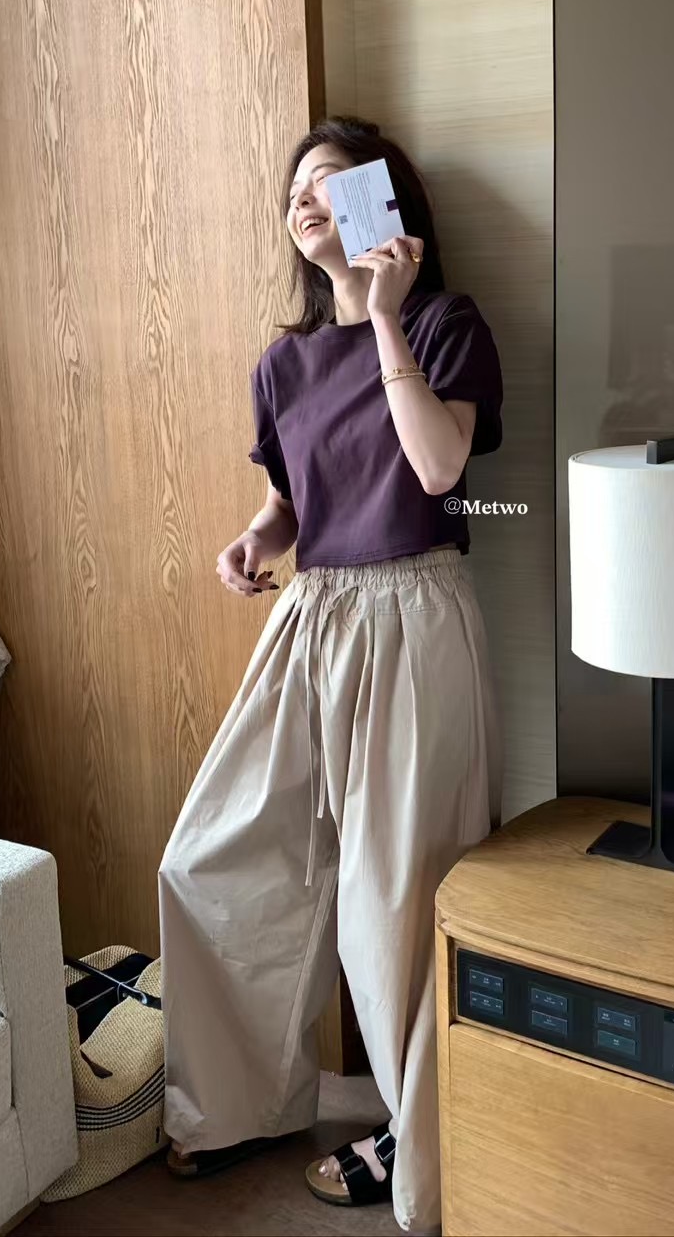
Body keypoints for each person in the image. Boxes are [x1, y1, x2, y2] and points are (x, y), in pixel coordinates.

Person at [158, 116, 504, 1233]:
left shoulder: (445, 323)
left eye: (337, 184)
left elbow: (439, 467)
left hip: (415, 609)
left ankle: (417, 1143)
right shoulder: (283, 364)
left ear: (386, 208)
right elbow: (291, 500)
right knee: (212, 857)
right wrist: (256, 538)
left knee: (392, 906)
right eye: (299, 188)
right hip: (314, 614)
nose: (310, 198)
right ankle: (239, 1101)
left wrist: (385, 311)